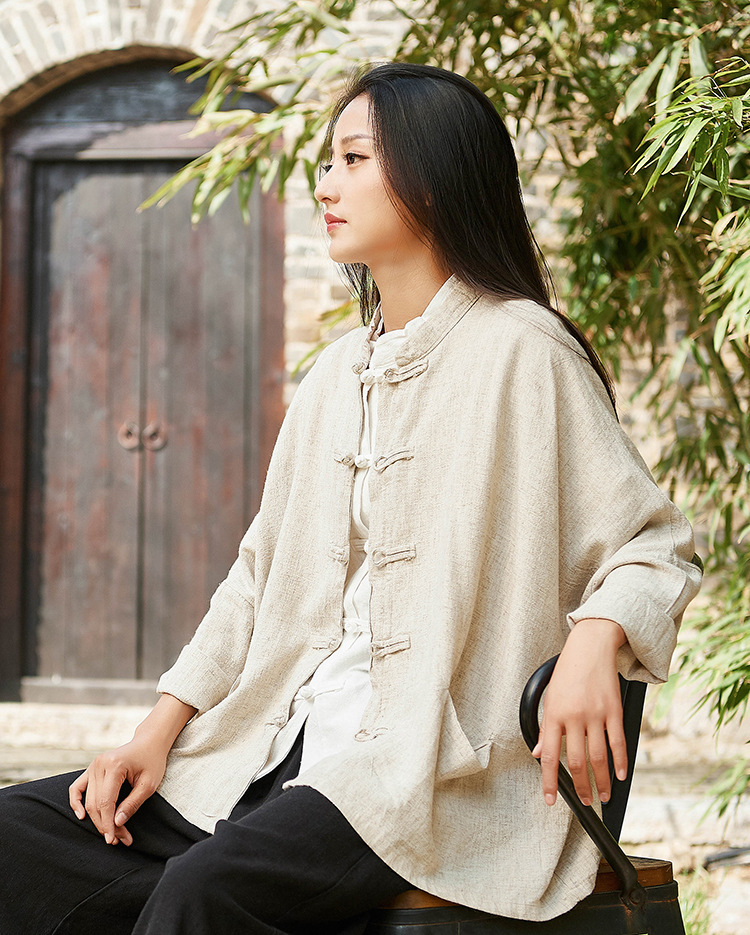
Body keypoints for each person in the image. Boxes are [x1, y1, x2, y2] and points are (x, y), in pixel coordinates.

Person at [0, 62, 701, 934]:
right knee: (14, 839)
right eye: (329, 163)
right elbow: (256, 578)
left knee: (201, 891)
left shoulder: (526, 353)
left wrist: (596, 640)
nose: (326, 185)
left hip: (417, 774)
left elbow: (654, 546)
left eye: (354, 159)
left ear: (432, 177)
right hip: (261, 749)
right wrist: (159, 729)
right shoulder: (336, 374)